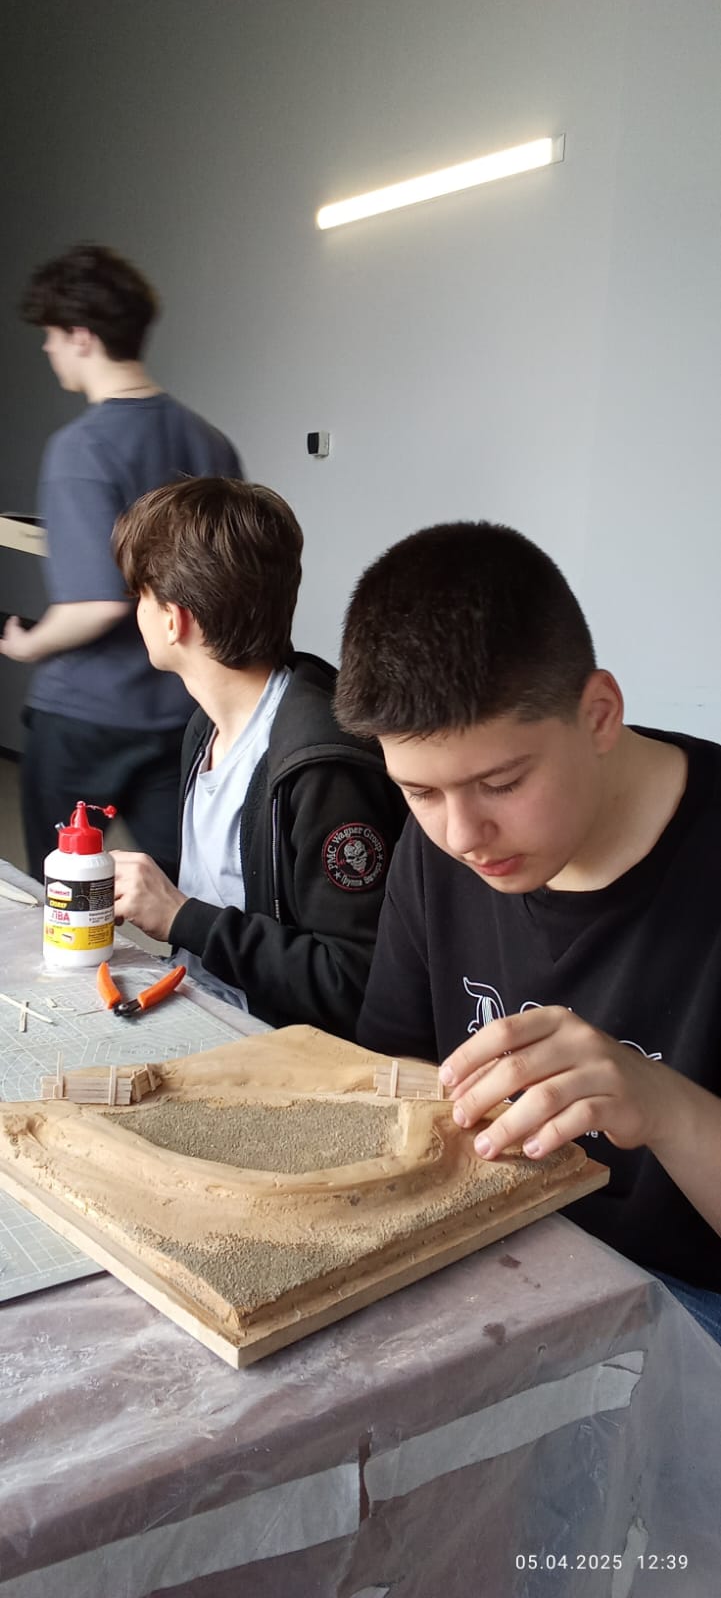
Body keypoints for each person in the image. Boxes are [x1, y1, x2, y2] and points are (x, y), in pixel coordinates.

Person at [335, 519, 721, 1342]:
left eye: (502, 783)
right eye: (419, 792)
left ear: (598, 715)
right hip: (502, 1260)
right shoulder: (444, 844)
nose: (461, 835)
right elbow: (399, 1074)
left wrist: (663, 1105)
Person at [109, 476, 407, 1038]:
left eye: (140, 597)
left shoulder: (322, 766)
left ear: (174, 619)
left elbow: (353, 981)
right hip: (198, 1003)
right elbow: (239, 893)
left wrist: (179, 916)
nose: (136, 613)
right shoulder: (207, 727)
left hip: (273, 1046)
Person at [0, 242, 242, 881]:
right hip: (183, 713)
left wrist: (27, 644)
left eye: (52, 335)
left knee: (62, 887)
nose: (48, 348)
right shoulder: (210, 443)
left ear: (81, 336)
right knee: (185, 892)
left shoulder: (81, 447)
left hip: (85, 717)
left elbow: (97, 602)